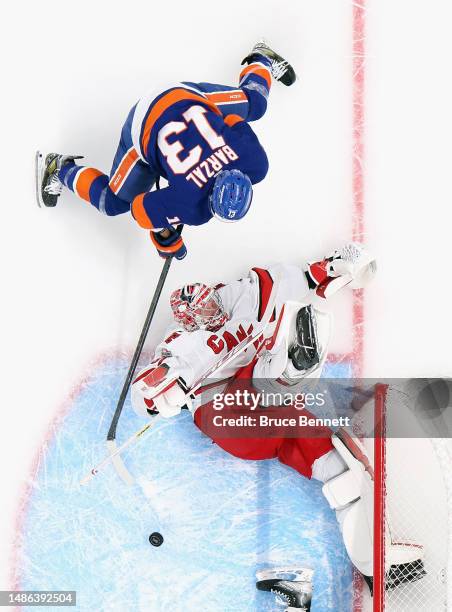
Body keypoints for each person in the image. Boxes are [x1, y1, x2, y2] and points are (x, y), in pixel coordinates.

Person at [130, 243, 424, 610]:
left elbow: (298, 278)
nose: (210, 313)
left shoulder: (242, 294)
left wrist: (337, 266)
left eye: (210, 303)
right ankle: (305, 386)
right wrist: (163, 394)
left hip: (265, 400)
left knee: (341, 465)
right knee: (299, 404)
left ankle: (375, 563)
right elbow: (145, 397)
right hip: (225, 415)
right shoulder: (178, 346)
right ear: (187, 322)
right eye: (201, 315)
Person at [36, 42, 296, 260]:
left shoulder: (255, 163)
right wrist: (167, 239)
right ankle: (59, 168)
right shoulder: (191, 207)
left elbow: (231, 122)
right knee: (112, 202)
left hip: (187, 96)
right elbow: (140, 209)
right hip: (143, 122)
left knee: (255, 105)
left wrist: (171, 217)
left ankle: (261, 59)